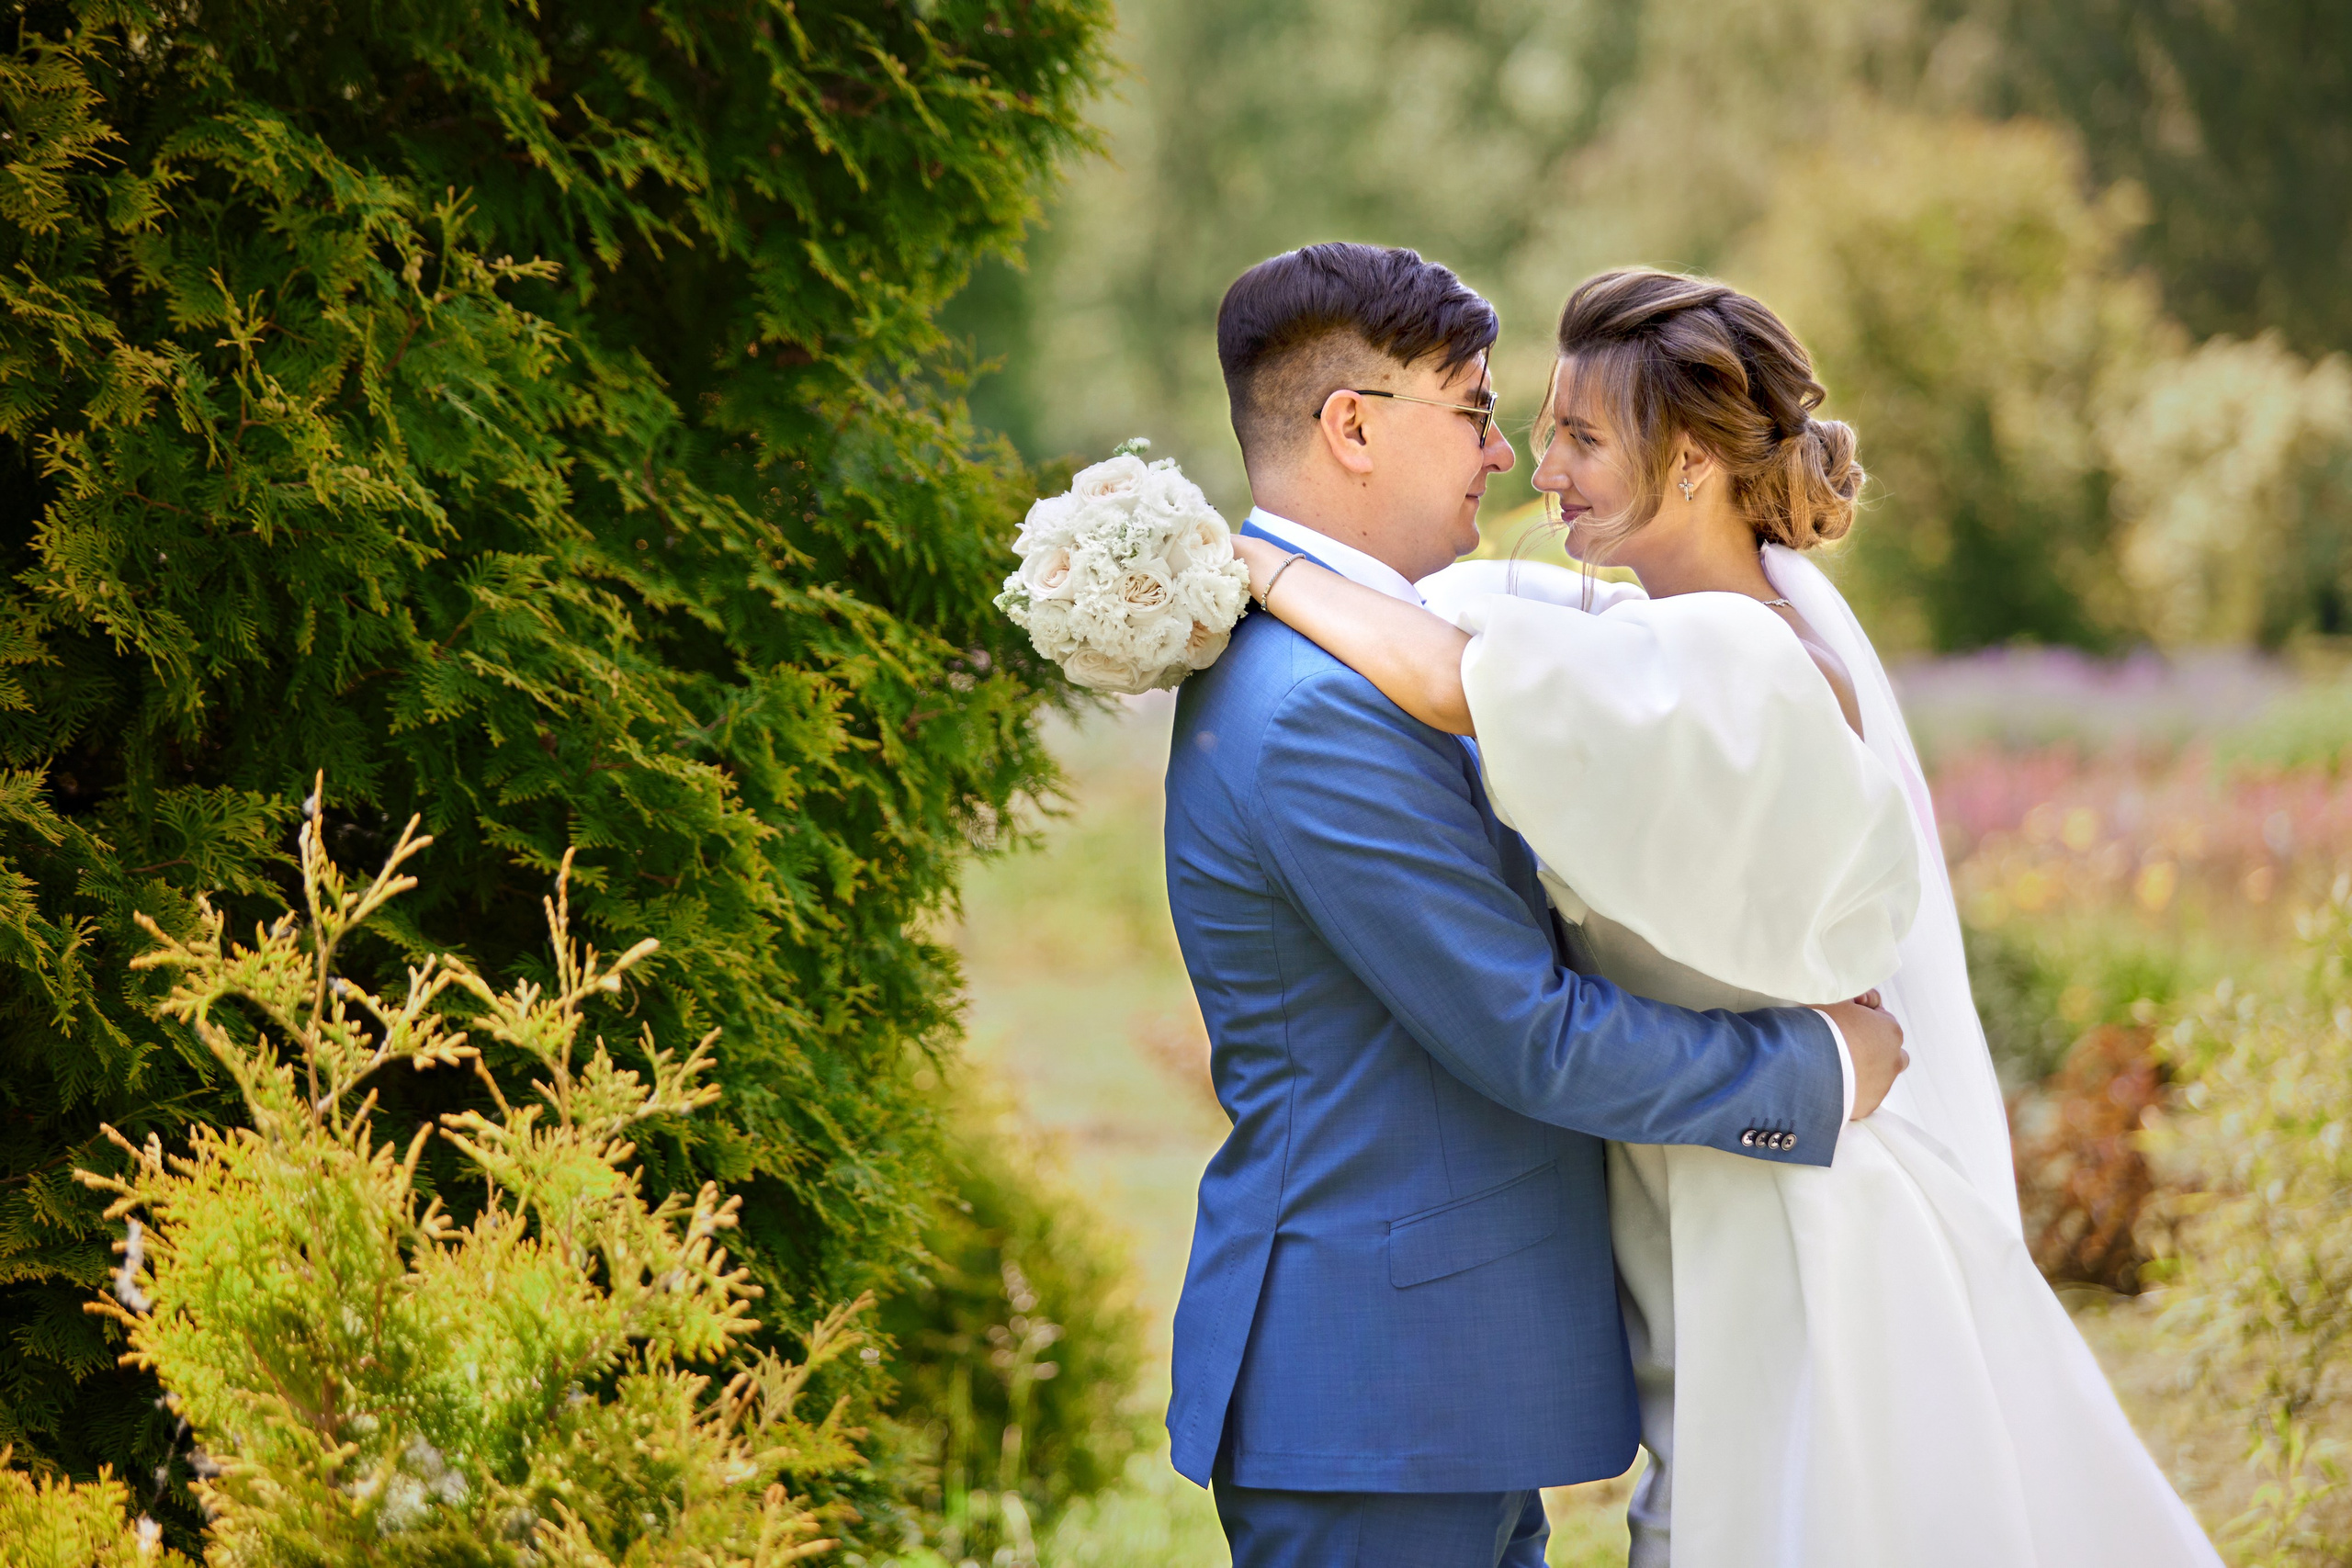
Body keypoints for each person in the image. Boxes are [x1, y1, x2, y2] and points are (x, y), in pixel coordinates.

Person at [1232, 265, 2222, 1567]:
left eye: (1582, 436)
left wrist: (1250, 563)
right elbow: (1476, 620)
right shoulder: (1662, 633)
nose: (1542, 464)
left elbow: (1442, 670)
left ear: (1690, 461)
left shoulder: (1731, 659)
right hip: (1705, 1188)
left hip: (1786, 1221)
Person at [1161, 242, 1910, 1568]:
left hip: (1431, 1384)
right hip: (1380, 1389)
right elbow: (1527, 1034)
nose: (1505, 457)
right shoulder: (1320, 706)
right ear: (1352, 427)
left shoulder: (1372, 652)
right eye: (1473, 411)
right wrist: (1816, 1067)